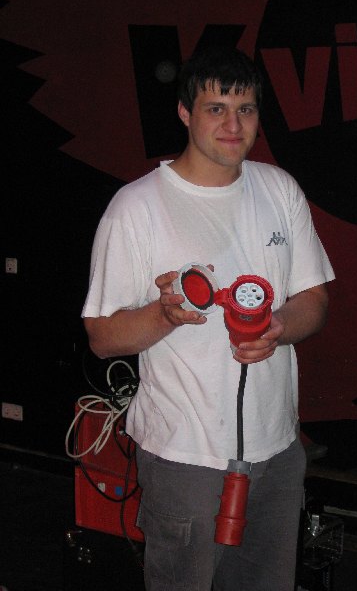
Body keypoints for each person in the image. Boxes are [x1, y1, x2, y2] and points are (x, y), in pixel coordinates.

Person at [82, 46, 335, 591]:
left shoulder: (280, 189)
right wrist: (166, 314)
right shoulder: (136, 208)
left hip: (278, 451)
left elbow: (313, 299)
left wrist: (278, 328)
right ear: (184, 112)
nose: (232, 125)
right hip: (185, 457)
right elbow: (102, 337)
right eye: (215, 108)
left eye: (245, 109)